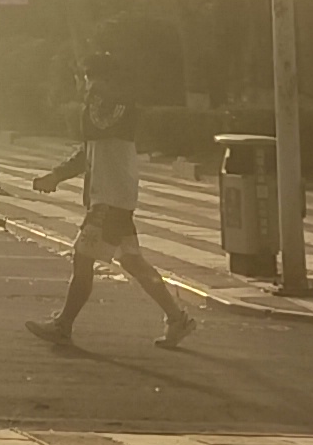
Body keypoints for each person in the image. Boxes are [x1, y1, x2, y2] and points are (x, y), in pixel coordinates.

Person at [28, 98, 196, 353]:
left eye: (87, 79)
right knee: (132, 261)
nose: (84, 87)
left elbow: (91, 139)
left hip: (109, 201)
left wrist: (90, 104)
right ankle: (176, 318)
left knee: (83, 258)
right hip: (116, 199)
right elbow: (86, 153)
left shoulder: (110, 112)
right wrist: (56, 176)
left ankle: (63, 325)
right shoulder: (105, 118)